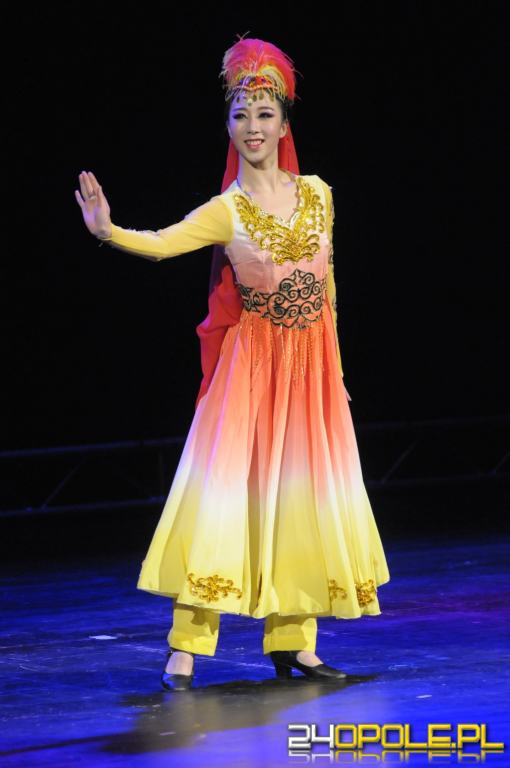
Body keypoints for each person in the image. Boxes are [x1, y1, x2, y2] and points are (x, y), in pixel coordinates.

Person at [75, 35, 390, 692]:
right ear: (228, 125)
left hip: (310, 376)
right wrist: (108, 231)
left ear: (284, 123)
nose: (254, 126)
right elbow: (163, 244)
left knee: (303, 502)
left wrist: (336, 374)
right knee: (221, 502)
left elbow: (328, 289)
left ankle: (294, 644)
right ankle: (186, 647)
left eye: (265, 114)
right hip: (250, 372)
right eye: (242, 114)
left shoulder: (320, 194)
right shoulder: (228, 210)